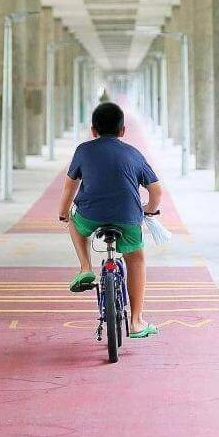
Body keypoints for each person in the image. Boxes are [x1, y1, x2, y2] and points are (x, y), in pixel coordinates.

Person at [58, 102, 163, 338]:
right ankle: (136, 322)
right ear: (123, 131)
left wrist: (63, 213)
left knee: (74, 221)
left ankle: (86, 267)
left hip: (90, 215)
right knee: (135, 260)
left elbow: (69, 188)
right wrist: (149, 210)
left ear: (93, 130)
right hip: (127, 217)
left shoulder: (83, 150)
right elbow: (156, 191)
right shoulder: (134, 154)